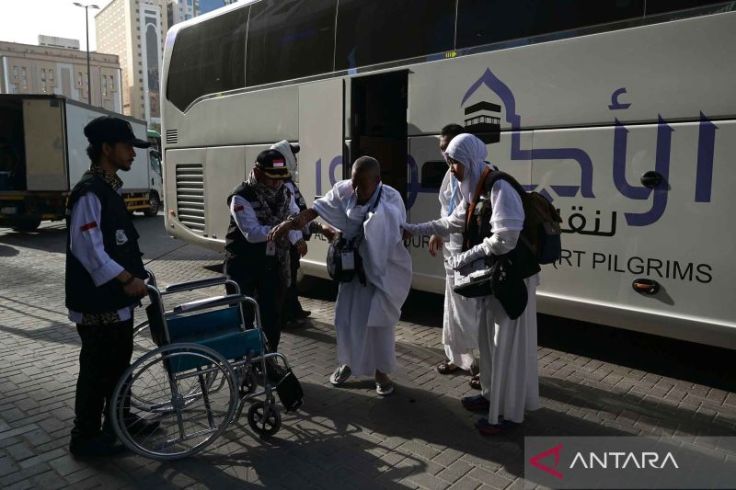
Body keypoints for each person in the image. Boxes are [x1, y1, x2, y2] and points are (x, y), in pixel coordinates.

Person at [403, 133, 540, 435]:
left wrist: (466, 257)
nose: (451, 169)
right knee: (487, 341)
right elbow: (451, 222)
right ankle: (490, 396)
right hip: (496, 279)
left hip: (513, 280)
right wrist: (411, 228)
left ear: (469, 160)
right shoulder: (475, 188)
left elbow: (506, 239)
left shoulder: (499, 187)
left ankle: (507, 415)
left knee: (506, 347)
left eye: (454, 163)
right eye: (450, 163)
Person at [269, 156, 412, 396]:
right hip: (351, 273)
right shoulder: (344, 191)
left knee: (378, 324)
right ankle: (347, 363)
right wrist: (291, 223)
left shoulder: (391, 198)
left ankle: (381, 373)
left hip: (378, 273)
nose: (356, 189)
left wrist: (372, 229)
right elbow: (315, 209)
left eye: (362, 185)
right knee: (345, 321)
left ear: (377, 181)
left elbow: (396, 233)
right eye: (354, 183)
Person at [66, 116, 159, 458]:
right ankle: (85, 438)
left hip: (118, 298)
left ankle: (120, 421)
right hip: (97, 301)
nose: (133, 154)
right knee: (97, 370)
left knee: (119, 364)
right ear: (107, 149)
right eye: (127, 147)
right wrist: (127, 279)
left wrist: (138, 275)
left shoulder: (109, 188)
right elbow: (88, 249)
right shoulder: (90, 192)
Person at [224, 148, 308, 352]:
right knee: (242, 318)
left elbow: (293, 216)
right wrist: (284, 229)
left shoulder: (285, 193)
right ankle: (244, 363)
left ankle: (269, 359)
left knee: (272, 318)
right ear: (258, 172)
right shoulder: (240, 196)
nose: (277, 183)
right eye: (272, 178)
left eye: (281, 178)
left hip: (271, 265)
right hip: (243, 265)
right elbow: (252, 233)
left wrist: (296, 238)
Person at [429, 124, 482, 388]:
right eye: (442, 150)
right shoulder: (451, 173)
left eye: (448, 148)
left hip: (471, 251)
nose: (445, 155)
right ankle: (456, 357)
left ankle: (481, 364)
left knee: (474, 308)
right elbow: (444, 207)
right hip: (451, 250)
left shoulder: (478, 171)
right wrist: (437, 232)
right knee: (452, 306)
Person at [269, 140, 334, 328]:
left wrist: (316, 228)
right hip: (286, 242)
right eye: (292, 154)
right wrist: (297, 239)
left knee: (291, 276)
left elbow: (299, 213)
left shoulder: (288, 183)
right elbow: (288, 216)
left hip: (291, 239)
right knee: (285, 279)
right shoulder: (283, 185)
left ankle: (293, 309)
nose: (295, 158)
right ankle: (285, 316)